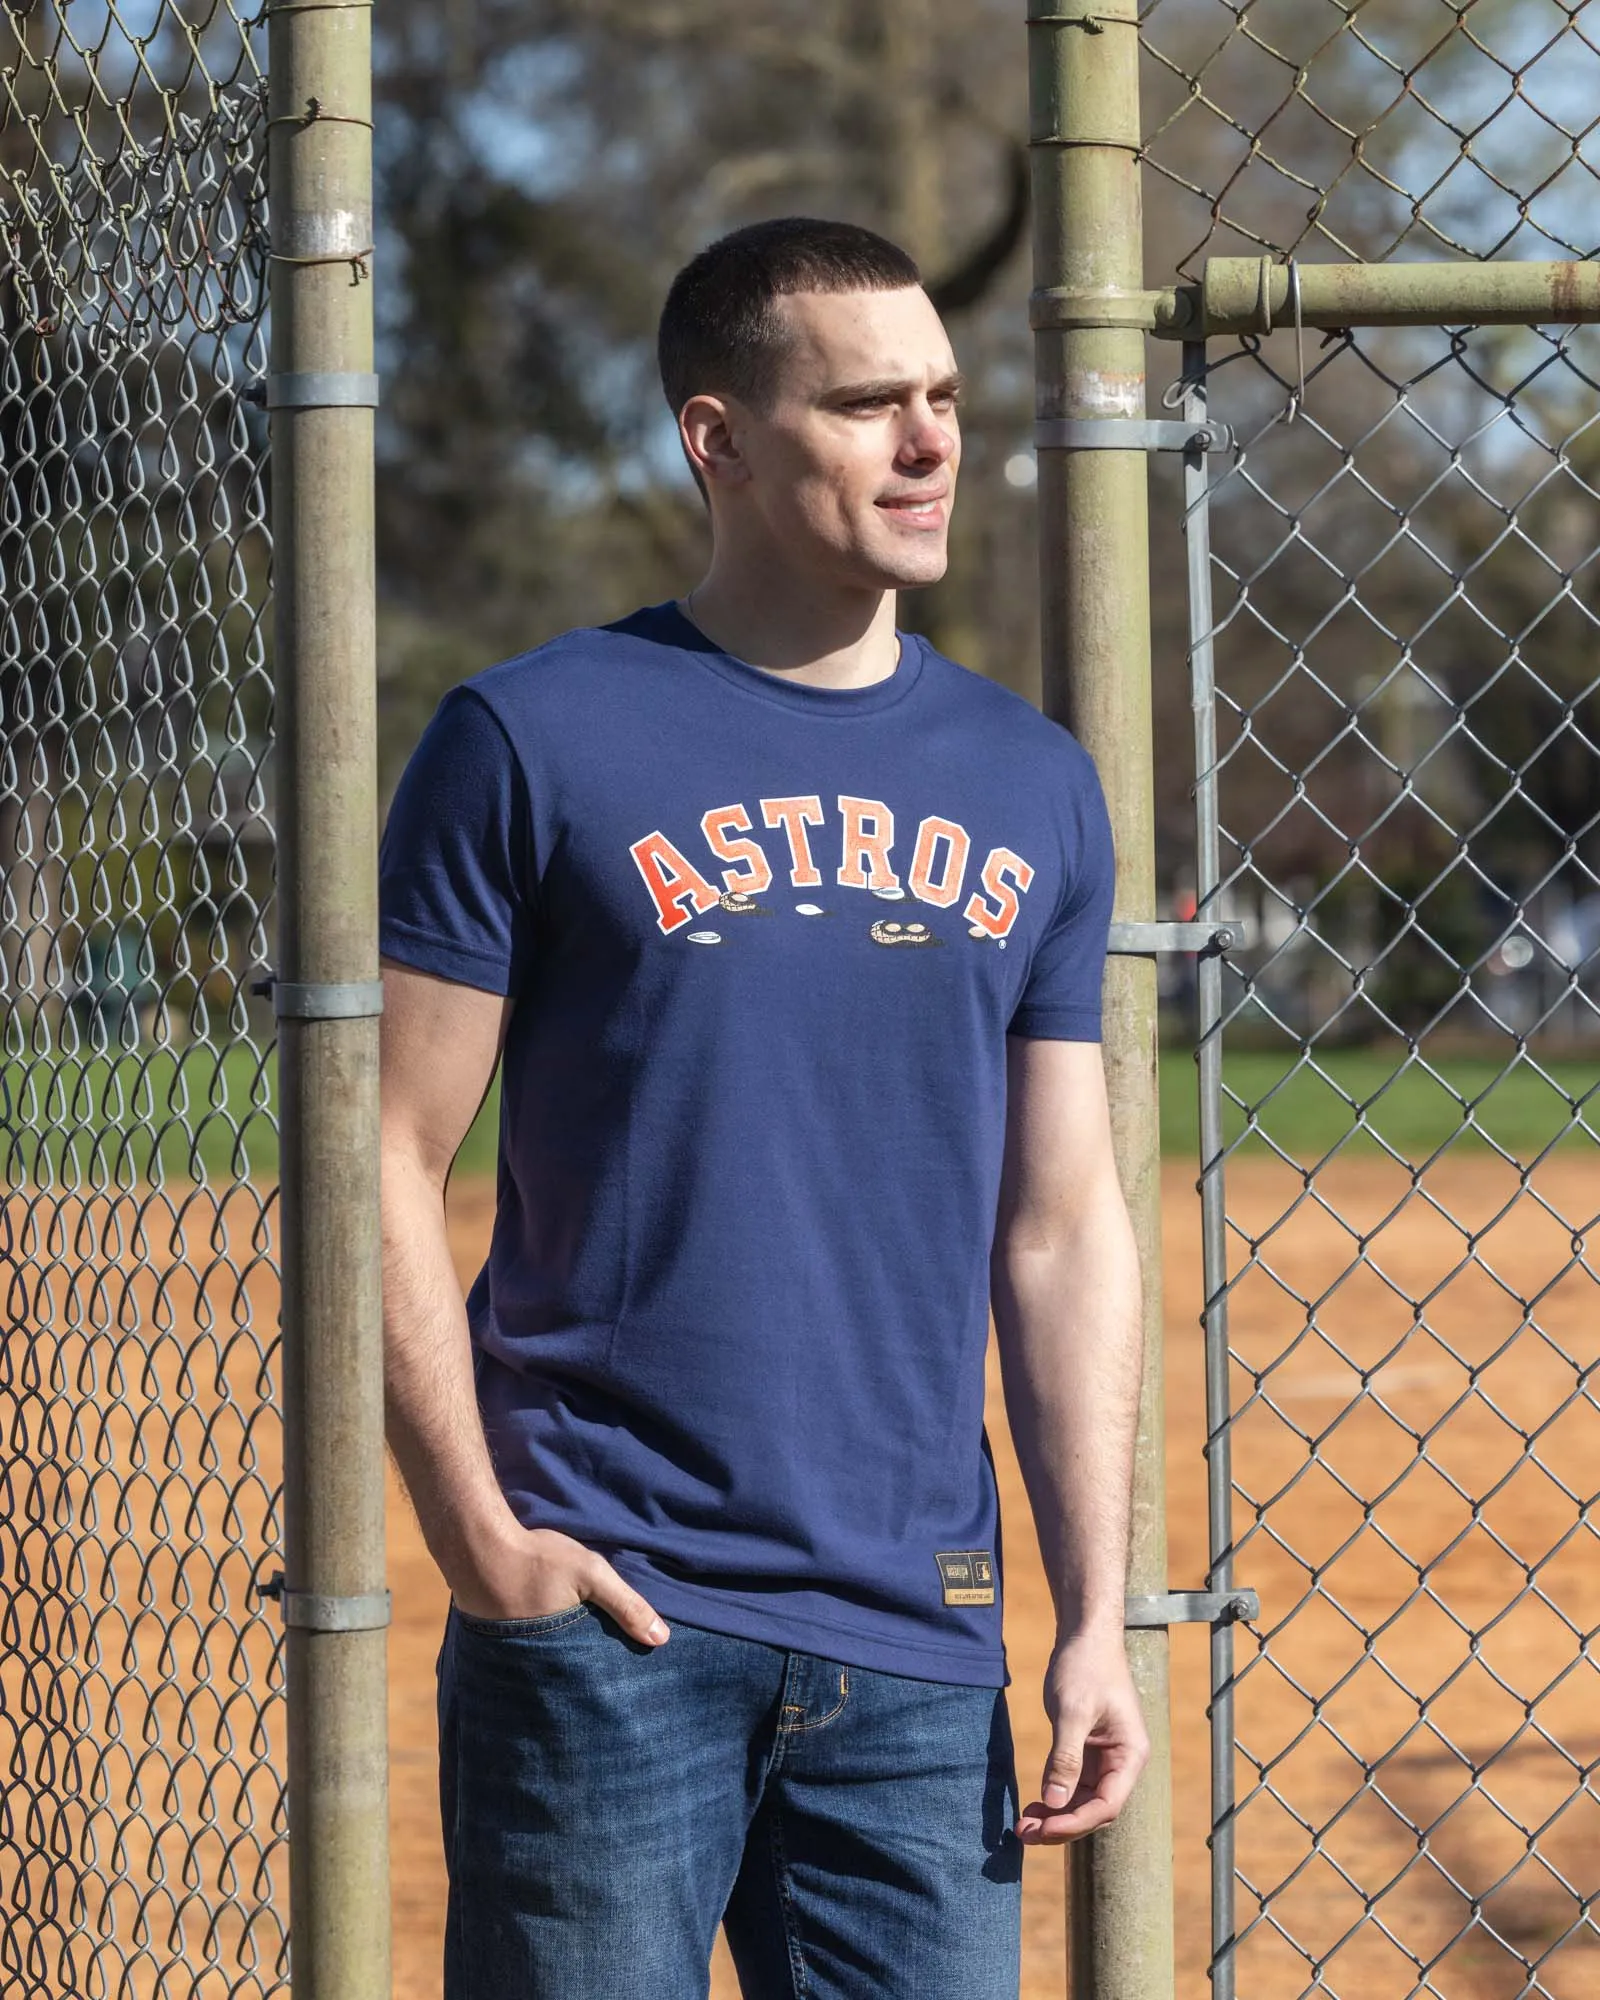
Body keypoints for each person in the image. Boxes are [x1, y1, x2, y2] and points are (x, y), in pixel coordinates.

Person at [378, 215, 1148, 2000]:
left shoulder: (1034, 787)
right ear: (716, 438)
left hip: (918, 1644)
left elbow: (1061, 1222)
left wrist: (1095, 1615)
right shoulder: (533, 738)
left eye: (945, 396)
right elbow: (384, 1158)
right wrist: (481, 1540)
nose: (933, 440)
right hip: (607, 1622)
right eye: (871, 402)